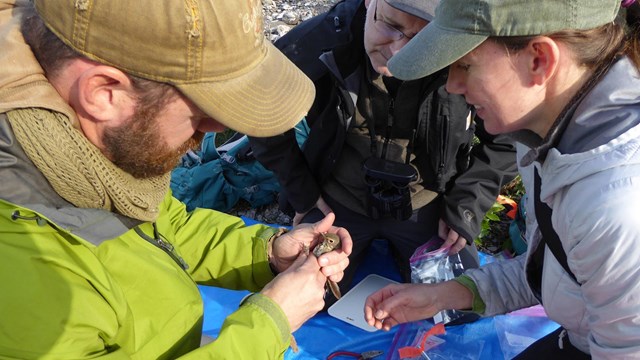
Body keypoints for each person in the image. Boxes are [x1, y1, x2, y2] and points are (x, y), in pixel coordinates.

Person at [0, 0, 353, 358]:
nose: (218, 128)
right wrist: (266, 327)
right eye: (202, 110)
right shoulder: (21, 271)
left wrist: (266, 252)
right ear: (104, 93)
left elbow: (161, 225)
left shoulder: (87, 155)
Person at [365, 0, 640, 357]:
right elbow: (556, 269)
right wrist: (441, 295)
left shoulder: (615, 205)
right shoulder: (548, 135)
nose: (451, 85)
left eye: (464, 64)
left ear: (539, 59)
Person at [249, 0, 517, 302]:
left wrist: (467, 202)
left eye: (423, 40)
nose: (399, 51)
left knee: (455, 307)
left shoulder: (467, 51)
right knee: (306, 296)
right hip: (336, 202)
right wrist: (302, 192)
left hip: (429, 202)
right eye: (391, 25)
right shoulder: (322, 41)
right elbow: (258, 107)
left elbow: (512, 136)